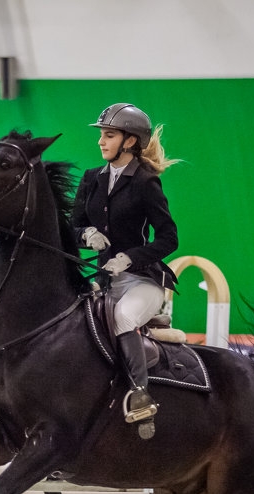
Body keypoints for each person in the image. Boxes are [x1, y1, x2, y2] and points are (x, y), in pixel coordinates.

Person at [71, 102, 179, 436]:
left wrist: (130, 257)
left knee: (123, 319)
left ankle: (139, 395)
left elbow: (169, 238)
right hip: (103, 280)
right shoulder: (91, 179)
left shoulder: (146, 182)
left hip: (141, 281)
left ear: (129, 141)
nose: (101, 142)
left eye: (109, 135)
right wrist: (86, 234)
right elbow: (70, 228)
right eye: (101, 135)